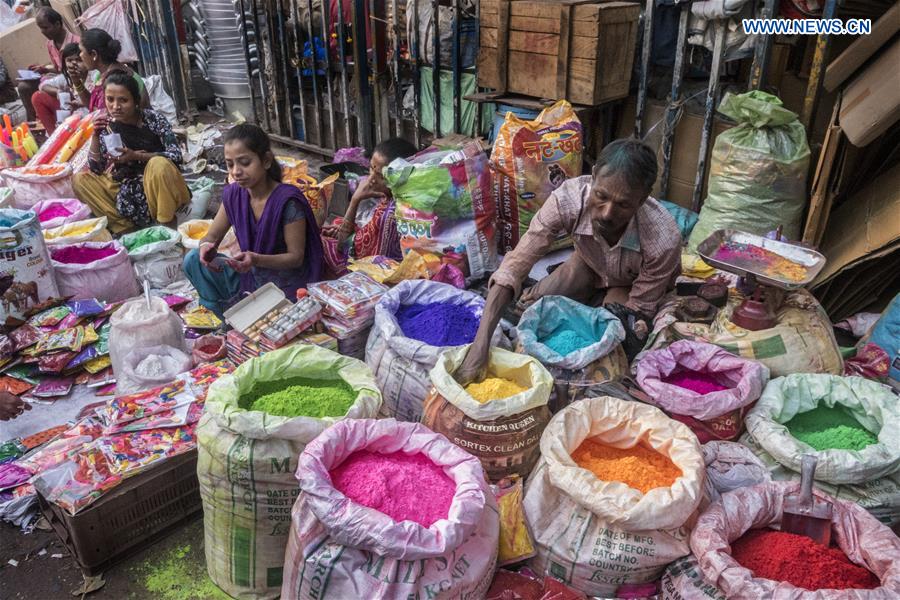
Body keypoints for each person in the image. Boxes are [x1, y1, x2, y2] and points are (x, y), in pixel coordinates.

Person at [457, 138, 683, 382]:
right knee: (529, 307)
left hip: (629, 283)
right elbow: (515, 265)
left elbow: (638, 309)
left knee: (613, 333)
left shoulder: (663, 239)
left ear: (643, 198)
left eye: (623, 205)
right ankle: (586, 297)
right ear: (594, 175)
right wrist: (480, 347)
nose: (607, 213)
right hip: (589, 263)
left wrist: (616, 319)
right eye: (601, 196)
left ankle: (597, 303)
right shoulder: (567, 200)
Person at [183, 124, 325, 317]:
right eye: (230, 164)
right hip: (248, 276)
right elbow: (213, 235)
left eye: (244, 162)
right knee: (192, 260)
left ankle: (242, 313)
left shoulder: (287, 201)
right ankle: (221, 318)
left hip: (285, 285)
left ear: (266, 161)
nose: (236, 172)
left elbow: (295, 257)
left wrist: (256, 259)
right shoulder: (234, 195)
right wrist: (206, 246)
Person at [72, 71, 189, 233]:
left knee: (159, 164)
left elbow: (176, 156)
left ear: (136, 101)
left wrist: (137, 156)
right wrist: (95, 136)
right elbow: (96, 169)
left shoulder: (153, 119)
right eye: (110, 99)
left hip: (159, 188)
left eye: (123, 100)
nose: (115, 107)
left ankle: (166, 226)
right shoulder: (107, 126)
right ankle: (125, 229)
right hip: (128, 190)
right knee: (80, 180)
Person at [322, 137, 417, 260]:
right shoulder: (406, 195)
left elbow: (343, 246)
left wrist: (355, 199)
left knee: (320, 244)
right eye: (372, 168)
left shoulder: (389, 213)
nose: (371, 179)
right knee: (337, 223)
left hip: (379, 271)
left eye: (381, 176)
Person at [16, 7, 80, 123]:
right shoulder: (50, 44)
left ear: (57, 24)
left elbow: (82, 72)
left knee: (40, 91)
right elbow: (58, 69)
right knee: (23, 87)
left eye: (45, 27)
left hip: (73, 81)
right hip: (60, 78)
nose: (42, 32)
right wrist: (43, 69)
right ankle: (34, 121)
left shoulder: (76, 43)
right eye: (40, 28)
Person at [76, 28, 149, 112]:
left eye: (81, 51)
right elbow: (94, 106)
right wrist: (76, 82)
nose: (80, 55)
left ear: (94, 54)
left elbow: (108, 116)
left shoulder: (117, 80)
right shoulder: (100, 75)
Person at [31, 43, 87, 133]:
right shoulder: (67, 77)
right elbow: (43, 85)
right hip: (73, 113)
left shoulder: (94, 76)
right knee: (37, 96)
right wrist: (57, 91)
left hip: (88, 115)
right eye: (69, 60)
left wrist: (80, 103)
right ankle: (53, 134)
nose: (74, 64)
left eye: (78, 60)